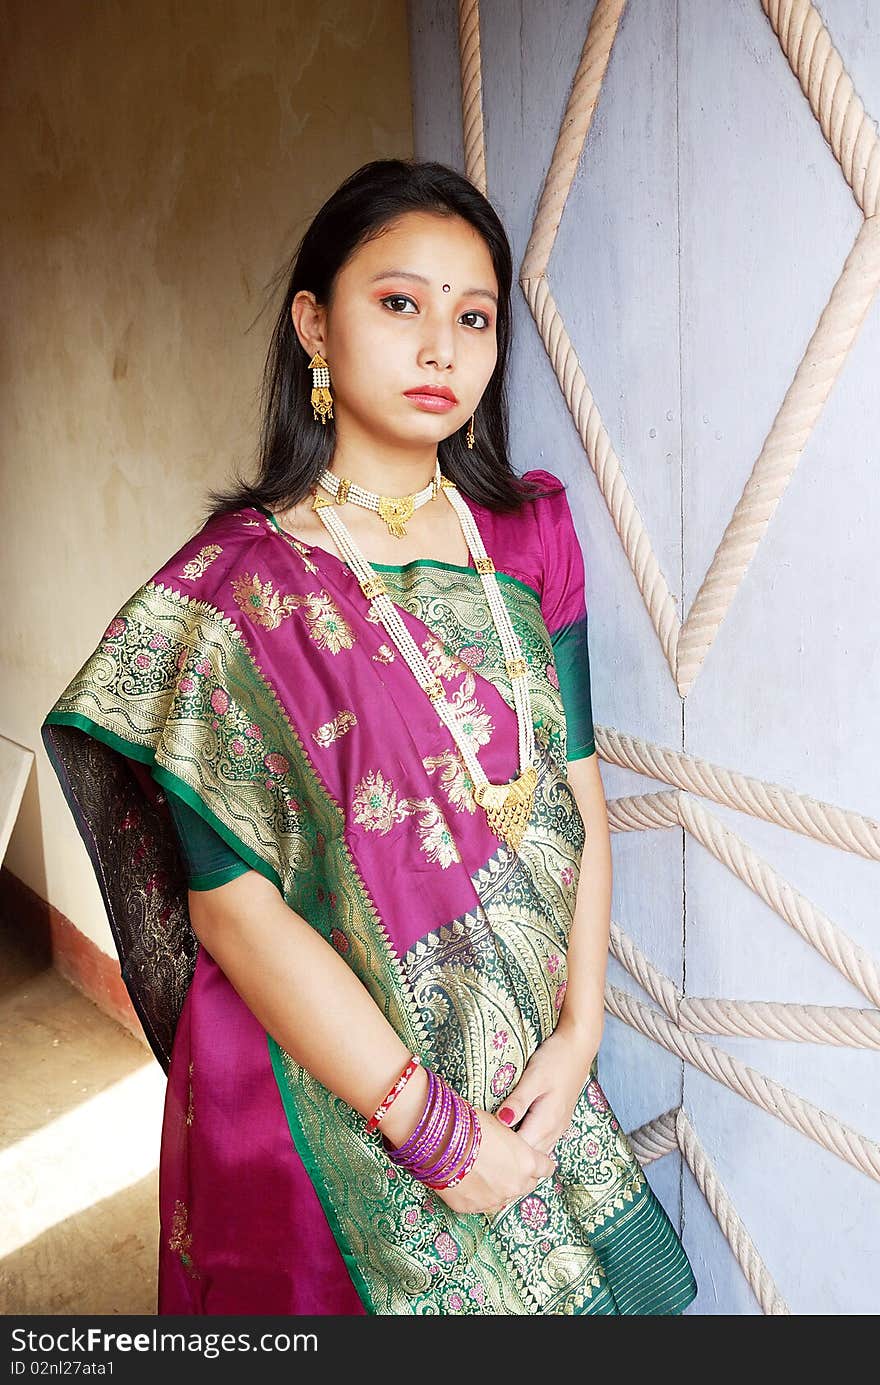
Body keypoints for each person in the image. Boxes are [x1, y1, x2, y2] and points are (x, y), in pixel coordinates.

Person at [41, 158, 698, 1316]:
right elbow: (231, 909)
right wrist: (435, 1133)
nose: (441, 345)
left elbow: (575, 801)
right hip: (315, 1118)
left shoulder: (528, 537)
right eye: (399, 303)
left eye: (473, 315)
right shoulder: (230, 600)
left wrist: (580, 1030)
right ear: (314, 322)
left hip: (521, 1067)